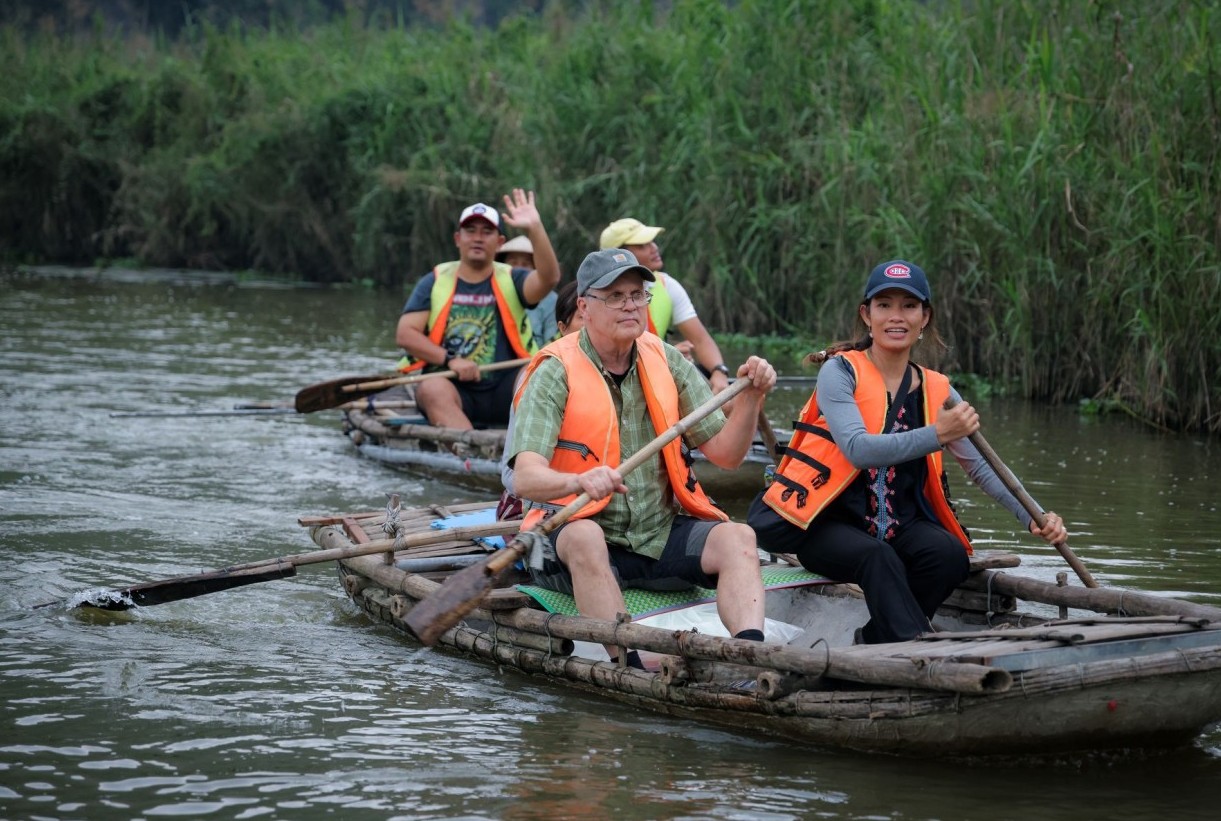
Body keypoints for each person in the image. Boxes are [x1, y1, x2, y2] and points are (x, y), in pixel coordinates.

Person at [746, 260, 1069, 645]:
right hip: (826, 524)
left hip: (897, 524)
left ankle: (878, 640)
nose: (896, 317)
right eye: (884, 305)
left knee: (948, 555)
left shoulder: (938, 390)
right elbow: (858, 450)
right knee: (876, 558)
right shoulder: (840, 372)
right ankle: (920, 646)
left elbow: (981, 466)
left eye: (908, 306)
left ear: (924, 318)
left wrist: (1032, 515)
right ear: (867, 315)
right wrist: (937, 434)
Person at [508, 247, 777, 667]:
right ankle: (628, 664)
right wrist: (577, 482)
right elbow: (525, 478)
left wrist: (750, 400)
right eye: (615, 296)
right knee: (584, 536)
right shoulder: (554, 371)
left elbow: (725, 455)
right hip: (567, 540)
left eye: (637, 294)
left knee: (738, 537)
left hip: (655, 534)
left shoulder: (665, 358)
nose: (631, 305)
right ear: (585, 307)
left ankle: (754, 658)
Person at [396, 190, 560, 430]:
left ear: (499, 242)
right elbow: (406, 334)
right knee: (431, 388)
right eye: (470, 231)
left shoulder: (513, 278)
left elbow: (549, 278)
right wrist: (450, 360)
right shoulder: (434, 280)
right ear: (457, 239)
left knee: (536, 374)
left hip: (506, 384)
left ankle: (525, 448)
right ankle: (471, 455)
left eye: (487, 232)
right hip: (454, 386)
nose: (478, 238)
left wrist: (534, 228)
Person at [600, 218, 733, 394]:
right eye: (642, 245)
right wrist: (668, 355)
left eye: (652, 242)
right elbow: (609, 358)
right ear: (619, 255)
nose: (654, 248)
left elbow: (700, 340)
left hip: (657, 374)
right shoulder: (595, 294)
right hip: (613, 379)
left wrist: (719, 372)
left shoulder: (666, 285)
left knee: (739, 397)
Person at [497, 280, 583, 520]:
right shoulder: (544, 373)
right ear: (563, 328)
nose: (594, 325)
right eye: (582, 317)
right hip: (535, 505)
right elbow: (517, 478)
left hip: (593, 500)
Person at [496, 234, 559, 344]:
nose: (519, 269)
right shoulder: (491, 291)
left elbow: (551, 342)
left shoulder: (551, 300)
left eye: (525, 264)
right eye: (513, 263)